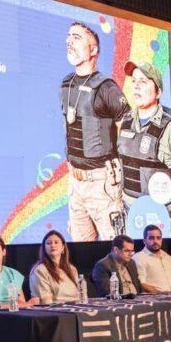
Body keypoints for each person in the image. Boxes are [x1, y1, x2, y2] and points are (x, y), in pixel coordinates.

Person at [60, 22, 129, 242]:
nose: (70, 41)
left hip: (102, 183)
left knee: (115, 248)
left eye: (77, 37)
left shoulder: (106, 87)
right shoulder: (66, 84)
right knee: (81, 251)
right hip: (75, 182)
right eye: (69, 36)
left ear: (93, 49)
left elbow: (126, 124)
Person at [117, 61, 171, 235]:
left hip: (160, 217)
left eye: (143, 82)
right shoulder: (126, 121)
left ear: (158, 92)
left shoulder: (170, 126)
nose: (136, 86)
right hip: (131, 216)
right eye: (134, 81)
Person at [132, 224, 171, 293]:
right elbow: (141, 284)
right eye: (151, 238)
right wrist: (161, 295)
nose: (155, 241)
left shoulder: (168, 258)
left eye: (158, 238)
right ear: (144, 241)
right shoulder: (139, 258)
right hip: (157, 297)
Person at [29, 230, 80, 303]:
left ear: (63, 248)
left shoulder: (72, 269)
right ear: (44, 248)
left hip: (74, 307)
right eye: (48, 243)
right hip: (52, 308)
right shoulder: (40, 270)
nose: (52, 245)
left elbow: (79, 296)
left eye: (56, 242)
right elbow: (46, 302)